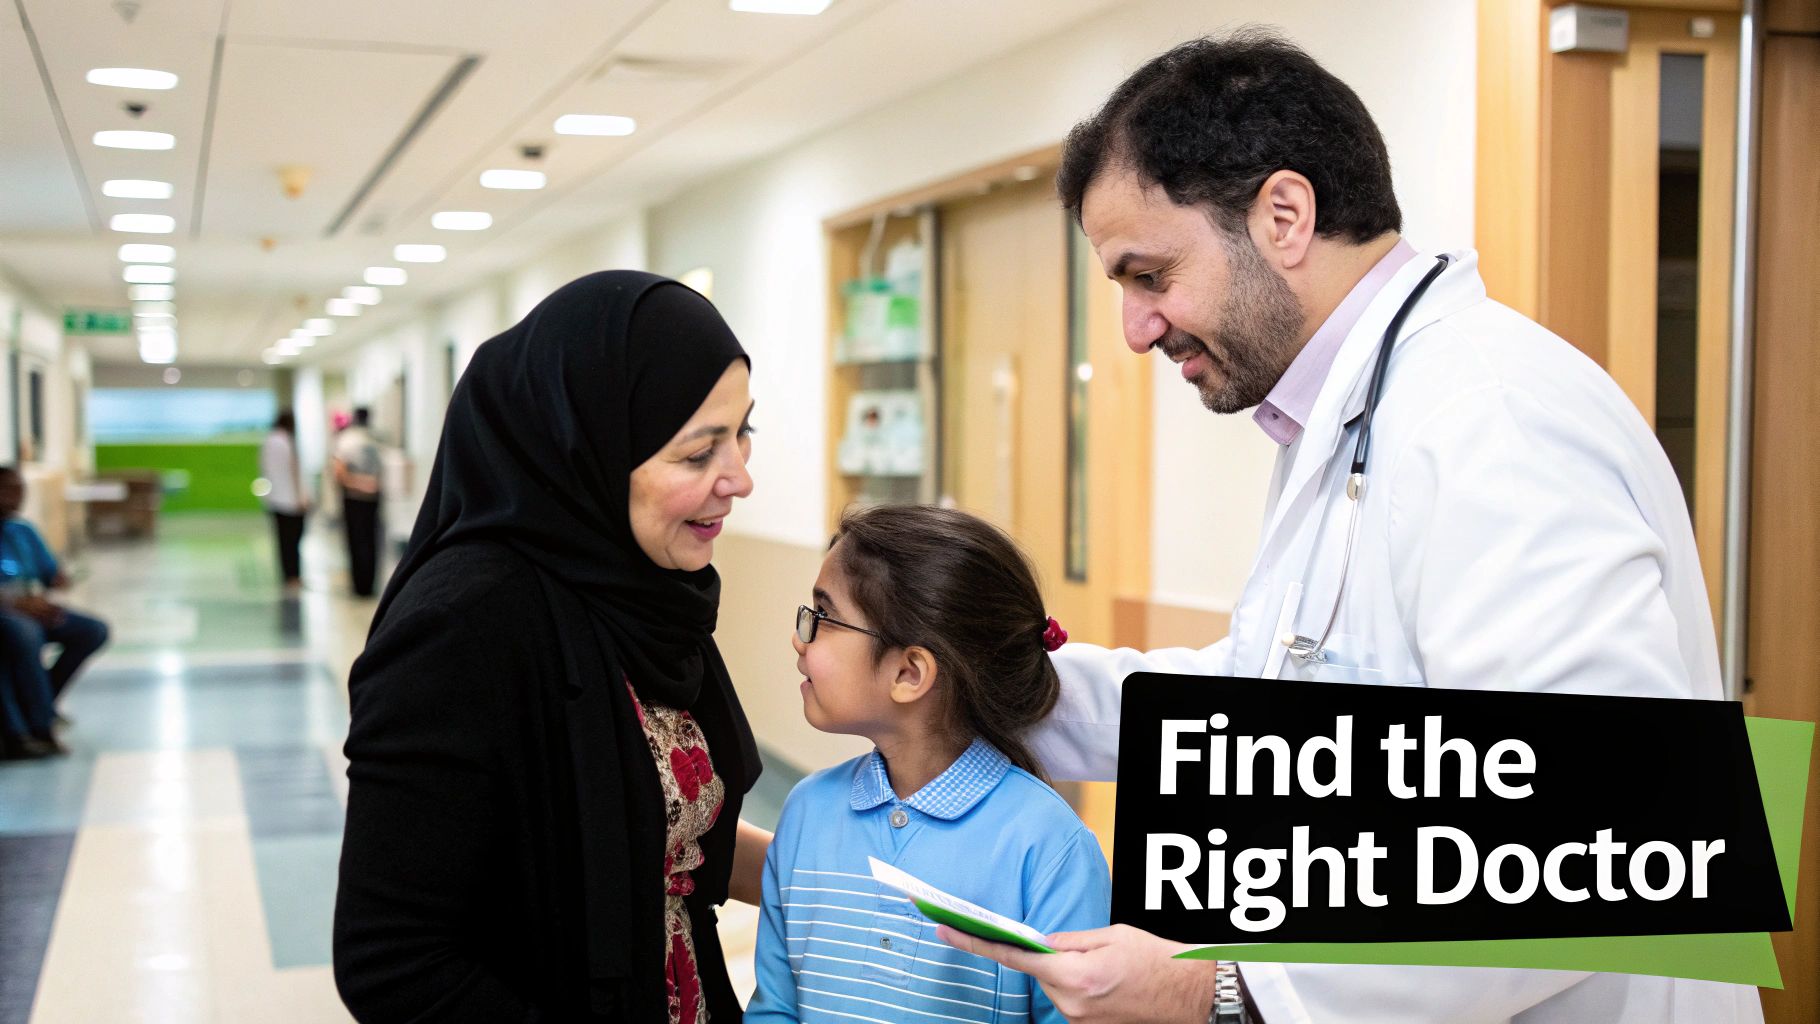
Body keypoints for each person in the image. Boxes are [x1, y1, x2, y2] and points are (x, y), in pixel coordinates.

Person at [937, 31, 1762, 1024]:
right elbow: (1281, 704)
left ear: (1283, 214)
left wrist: (1223, 984)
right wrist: (1007, 691)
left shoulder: (1486, 417)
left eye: (1147, 275)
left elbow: (1606, 833)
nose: (1134, 327)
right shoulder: (1356, 416)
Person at [334, 271, 774, 1022]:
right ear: (588, 448)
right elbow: (393, 959)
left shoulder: (644, 593)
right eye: (698, 454)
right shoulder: (464, 626)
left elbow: (664, 835)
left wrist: (856, 867)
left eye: (743, 435)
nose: (740, 478)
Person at [746, 504, 1111, 1024]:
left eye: (823, 617)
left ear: (910, 673)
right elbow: (774, 1009)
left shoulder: (1049, 848)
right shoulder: (806, 811)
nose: (800, 636)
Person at [0, 465, 108, 756]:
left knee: (92, 630)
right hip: (9, 615)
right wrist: (15, 604)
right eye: (6, 490)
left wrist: (58, 579)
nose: (14, 498)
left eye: (19, 490)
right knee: (24, 634)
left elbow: (48, 573)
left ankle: (38, 704)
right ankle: (36, 727)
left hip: (32, 610)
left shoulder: (22, 531)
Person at [332, 407, 383, 597]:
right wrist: (368, 484)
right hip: (366, 498)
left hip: (358, 498)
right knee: (367, 542)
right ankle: (365, 586)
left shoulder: (348, 440)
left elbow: (339, 473)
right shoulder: (373, 439)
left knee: (360, 543)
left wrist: (359, 484)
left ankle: (362, 586)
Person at [260, 410, 308, 590]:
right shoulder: (286, 441)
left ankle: (287, 575)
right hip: (290, 500)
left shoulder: (268, 441)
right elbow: (293, 470)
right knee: (293, 541)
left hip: (275, 499)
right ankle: (294, 575)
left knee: (282, 541)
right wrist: (302, 497)